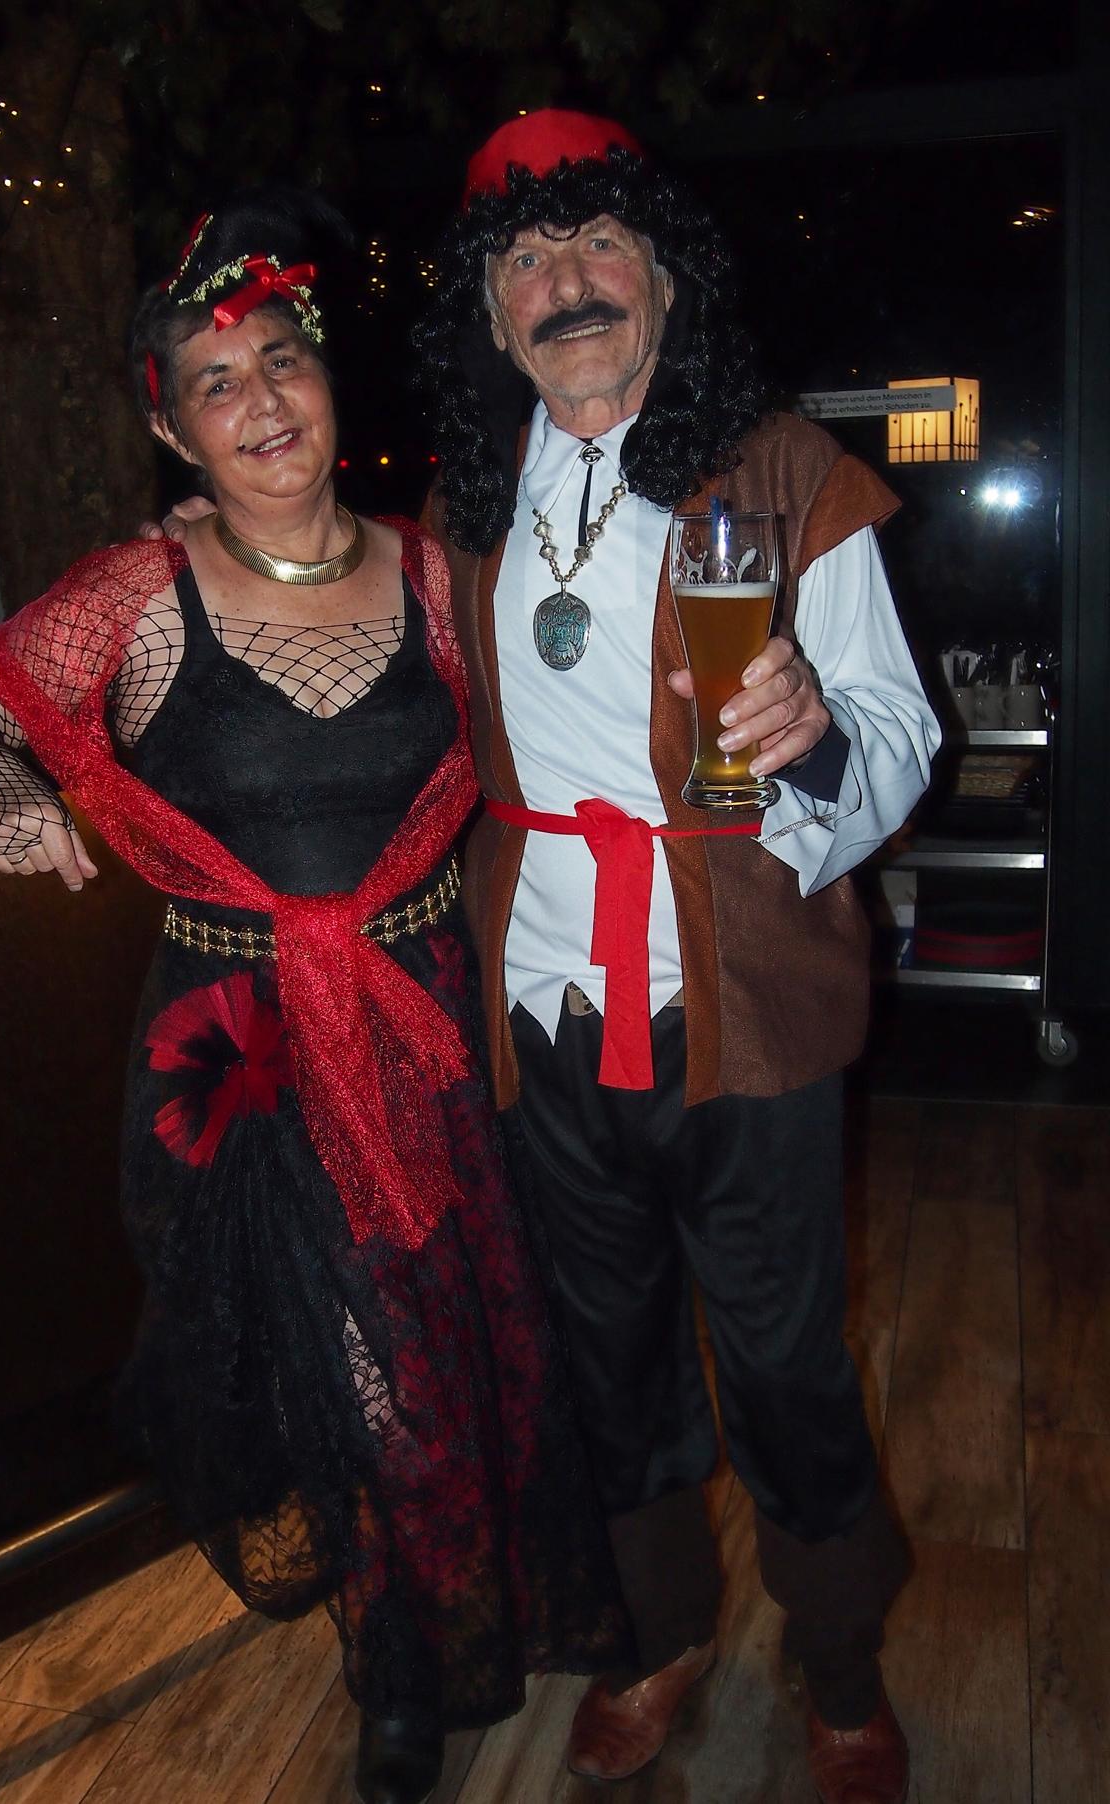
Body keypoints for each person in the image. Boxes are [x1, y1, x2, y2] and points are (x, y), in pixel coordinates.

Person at [0, 193, 629, 1804]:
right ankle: (399, 1670)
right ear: (175, 430)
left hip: (424, 1010)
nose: (262, 401)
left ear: (327, 378)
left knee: (437, 1342)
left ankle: (441, 1615)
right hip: (239, 1041)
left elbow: (564, 722)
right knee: (340, 1361)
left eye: (282, 360)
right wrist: (7, 796)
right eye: (215, 383)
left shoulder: (436, 571)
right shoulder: (136, 587)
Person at [407, 110, 941, 1804]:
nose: (565, 284)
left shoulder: (782, 471)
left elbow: (902, 732)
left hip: (743, 1003)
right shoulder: (459, 510)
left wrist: (816, 731)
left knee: (783, 1357)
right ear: (493, 318)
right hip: (540, 1001)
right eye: (526, 261)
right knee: (604, 1349)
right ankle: (660, 1633)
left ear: (662, 280)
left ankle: (839, 1664)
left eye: (598, 246)